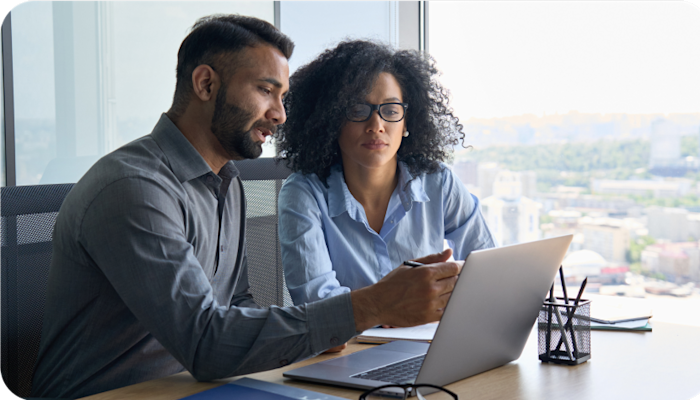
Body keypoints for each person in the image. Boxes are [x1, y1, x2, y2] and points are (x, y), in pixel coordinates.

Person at [31, 16, 461, 399]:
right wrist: (368, 307)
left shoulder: (227, 182)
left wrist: (321, 328)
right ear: (206, 84)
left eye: (283, 96)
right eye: (265, 91)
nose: (280, 115)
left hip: (200, 387)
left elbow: (237, 304)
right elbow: (205, 343)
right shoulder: (134, 188)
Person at [276, 40, 496, 313]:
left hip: (428, 342)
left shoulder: (438, 182)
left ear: (407, 123)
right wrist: (391, 307)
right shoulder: (303, 194)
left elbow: (488, 270)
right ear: (332, 120)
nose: (376, 126)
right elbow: (318, 307)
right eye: (358, 110)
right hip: (349, 350)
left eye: (391, 111)